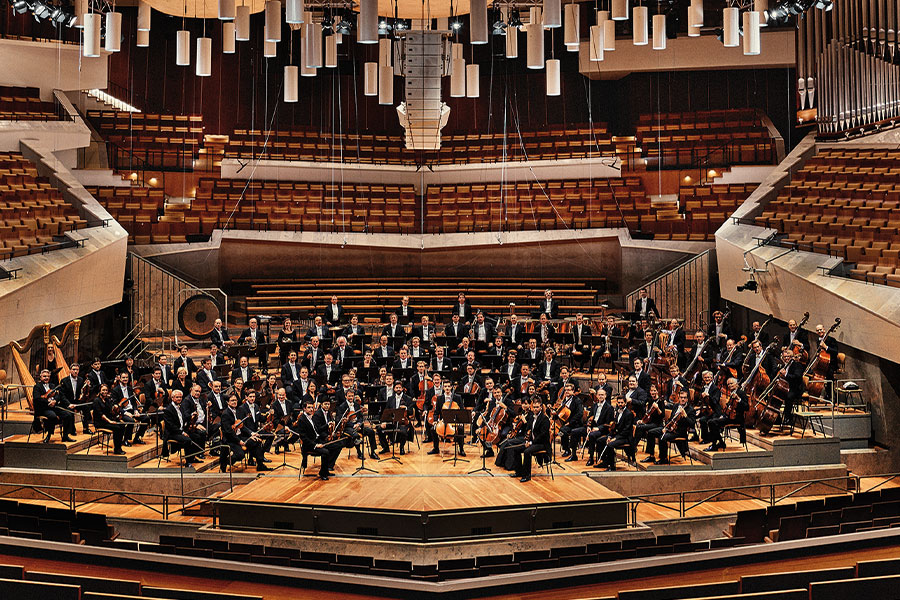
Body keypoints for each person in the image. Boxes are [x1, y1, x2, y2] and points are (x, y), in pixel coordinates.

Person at [219, 394, 268, 473]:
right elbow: (229, 432)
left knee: (256, 441)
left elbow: (242, 426)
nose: (234, 402)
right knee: (240, 455)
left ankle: (260, 465)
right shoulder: (225, 414)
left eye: (235, 400)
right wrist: (239, 441)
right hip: (230, 439)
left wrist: (251, 433)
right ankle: (225, 462)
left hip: (240, 436)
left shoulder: (239, 411)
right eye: (232, 400)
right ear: (228, 402)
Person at [295, 399, 340, 480]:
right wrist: (315, 445)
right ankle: (323, 473)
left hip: (317, 440)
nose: (311, 409)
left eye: (312, 407)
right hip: (309, 445)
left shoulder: (311, 417)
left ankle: (326, 469)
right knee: (325, 452)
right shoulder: (302, 420)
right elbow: (304, 438)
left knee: (335, 445)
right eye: (309, 408)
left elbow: (317, 431)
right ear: (304, 409)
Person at [648, 390, 695, 465]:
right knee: (651, 432)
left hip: (679, 432)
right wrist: (665, 427)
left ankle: (663, 459)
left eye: (684, 398)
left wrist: (685, 416)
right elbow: (670, 419)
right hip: (670, 428)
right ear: (678, 398)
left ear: (687, 399)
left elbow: (692, 424)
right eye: (681, 397)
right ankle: (651, 456)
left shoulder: (690, 410)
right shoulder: (676, 406)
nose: (683, 399)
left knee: (662, 437)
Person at [514, 398, 551, 482]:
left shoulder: (545, 419)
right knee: (516, 449)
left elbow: (542, 435)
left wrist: (531, 443)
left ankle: (527, 475)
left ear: (541, 407)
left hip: (542, 444)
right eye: (534, 407)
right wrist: (527, 440)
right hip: (533, 442)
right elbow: (528, 429)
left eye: (537, 407)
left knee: (527, 451)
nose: (535, 409)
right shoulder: (532, 417)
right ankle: (519, 472)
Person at [163, 390, 204, 464]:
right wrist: (182, 432)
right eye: (177, 397)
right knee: (187, 440)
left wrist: (192, 417)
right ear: (172, 398)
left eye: (180, 397)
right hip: (173, 433)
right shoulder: (168, 410)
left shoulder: (180, 407)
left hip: (181, 430)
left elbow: (184, 418)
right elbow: (171, 426)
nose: (179, 399)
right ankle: (188, 462)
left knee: (197, 436)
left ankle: (193, 457)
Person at [706, 378, 749, 450]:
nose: (730, 385)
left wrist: (739, 399)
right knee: (711, 421)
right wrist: (723, 415)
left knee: (712, 422)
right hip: (729, 417)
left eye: (731, 383)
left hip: (737, 418)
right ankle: (720, 442)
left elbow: (747, 407)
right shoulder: (732, 393)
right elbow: (728, 408)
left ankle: (716, 444)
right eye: (728, 384)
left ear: (737, 384)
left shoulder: (741, 393)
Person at [32, 368, 74, 442]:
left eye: (48, 376)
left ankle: (65, 436)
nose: (46, 378)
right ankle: (49, 435)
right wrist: (48, 401)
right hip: (43, 408)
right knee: (52, 416)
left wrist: (55, 400)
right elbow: (37, 399)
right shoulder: (37, 387)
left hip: (54, 407)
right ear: (41, 377)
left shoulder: (52, 385)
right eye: (44, 376)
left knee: (68, 414)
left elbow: (58, 395)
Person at [595, 395, 635, 471]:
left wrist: (615, 438)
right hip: (617, 435)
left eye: (622, 403)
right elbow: (614, 427)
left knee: (610, 445)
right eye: (619, 402)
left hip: (625, 438)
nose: (620, 404)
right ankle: (605, 461)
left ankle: (612, 466)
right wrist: (610, 436)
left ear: (625, 403)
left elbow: (626, 431)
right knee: (600, 441)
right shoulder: (617, 412)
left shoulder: (629, 414)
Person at [337, 388, 378, 460]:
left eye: (352, 396)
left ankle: (373, 452)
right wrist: (353, 425)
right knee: (356, 435)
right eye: (349, 396)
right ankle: (359, 453)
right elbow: (341, 420)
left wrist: (359, 423)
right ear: (346, 396)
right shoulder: (342, 407)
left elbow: (360, 417)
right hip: (348, 427)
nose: (351, 398)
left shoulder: (356, 405)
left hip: (358, 425)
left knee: (371, 431)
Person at [428, 380, 465, 456]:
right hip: (443, 421)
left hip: (455, 421)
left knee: (461, 429)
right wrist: (435, 420)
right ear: (443, 388)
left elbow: (462, 410)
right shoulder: (440, 398)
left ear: (451, 387)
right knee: (433, 429)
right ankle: (436, 448)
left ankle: (461, 449)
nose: (447, 388)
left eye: (448, 386)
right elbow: (436, 412)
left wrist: (460, 420)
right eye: (445, 386)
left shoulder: (457, 397)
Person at [378, 380, 414, 454]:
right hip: (392, 421)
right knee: (379, 429)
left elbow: (411, 412)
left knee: (403, 431)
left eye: (399, 388)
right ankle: (386, 447)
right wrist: (384, 422)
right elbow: (387, 411)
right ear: (394, 389)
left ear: (402, 389)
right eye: (396, 388)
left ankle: (401, 448)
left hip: (403, 422)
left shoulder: (408, 398)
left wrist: (406, 408)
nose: (398, 389)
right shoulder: (390, 399)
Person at [583, 388, 615, 466]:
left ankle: (591, 458)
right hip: (593, 427)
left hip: (603, 429)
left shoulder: (609, 408)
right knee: (576, 431)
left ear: (605, 396)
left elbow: (608, 423)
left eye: (602, 395)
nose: (600, 396)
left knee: (592, 435)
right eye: (599, 395)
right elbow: (589, 417)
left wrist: (598, 428)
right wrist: (588, 426)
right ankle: (573, 454)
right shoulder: (594, 405)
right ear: (596, 396)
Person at [91, 384, 126, 455]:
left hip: (108, 420)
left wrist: (116, 411)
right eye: (103, 390)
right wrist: (110, 421)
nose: (105, 392)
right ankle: (117, 449)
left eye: (106, 390)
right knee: (117, 428)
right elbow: (101, 415)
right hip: (100, 422)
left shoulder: (107, 400)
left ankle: (119, 447)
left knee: (122, 425)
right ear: (100, 391)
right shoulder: (96, 401)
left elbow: (110, 411)